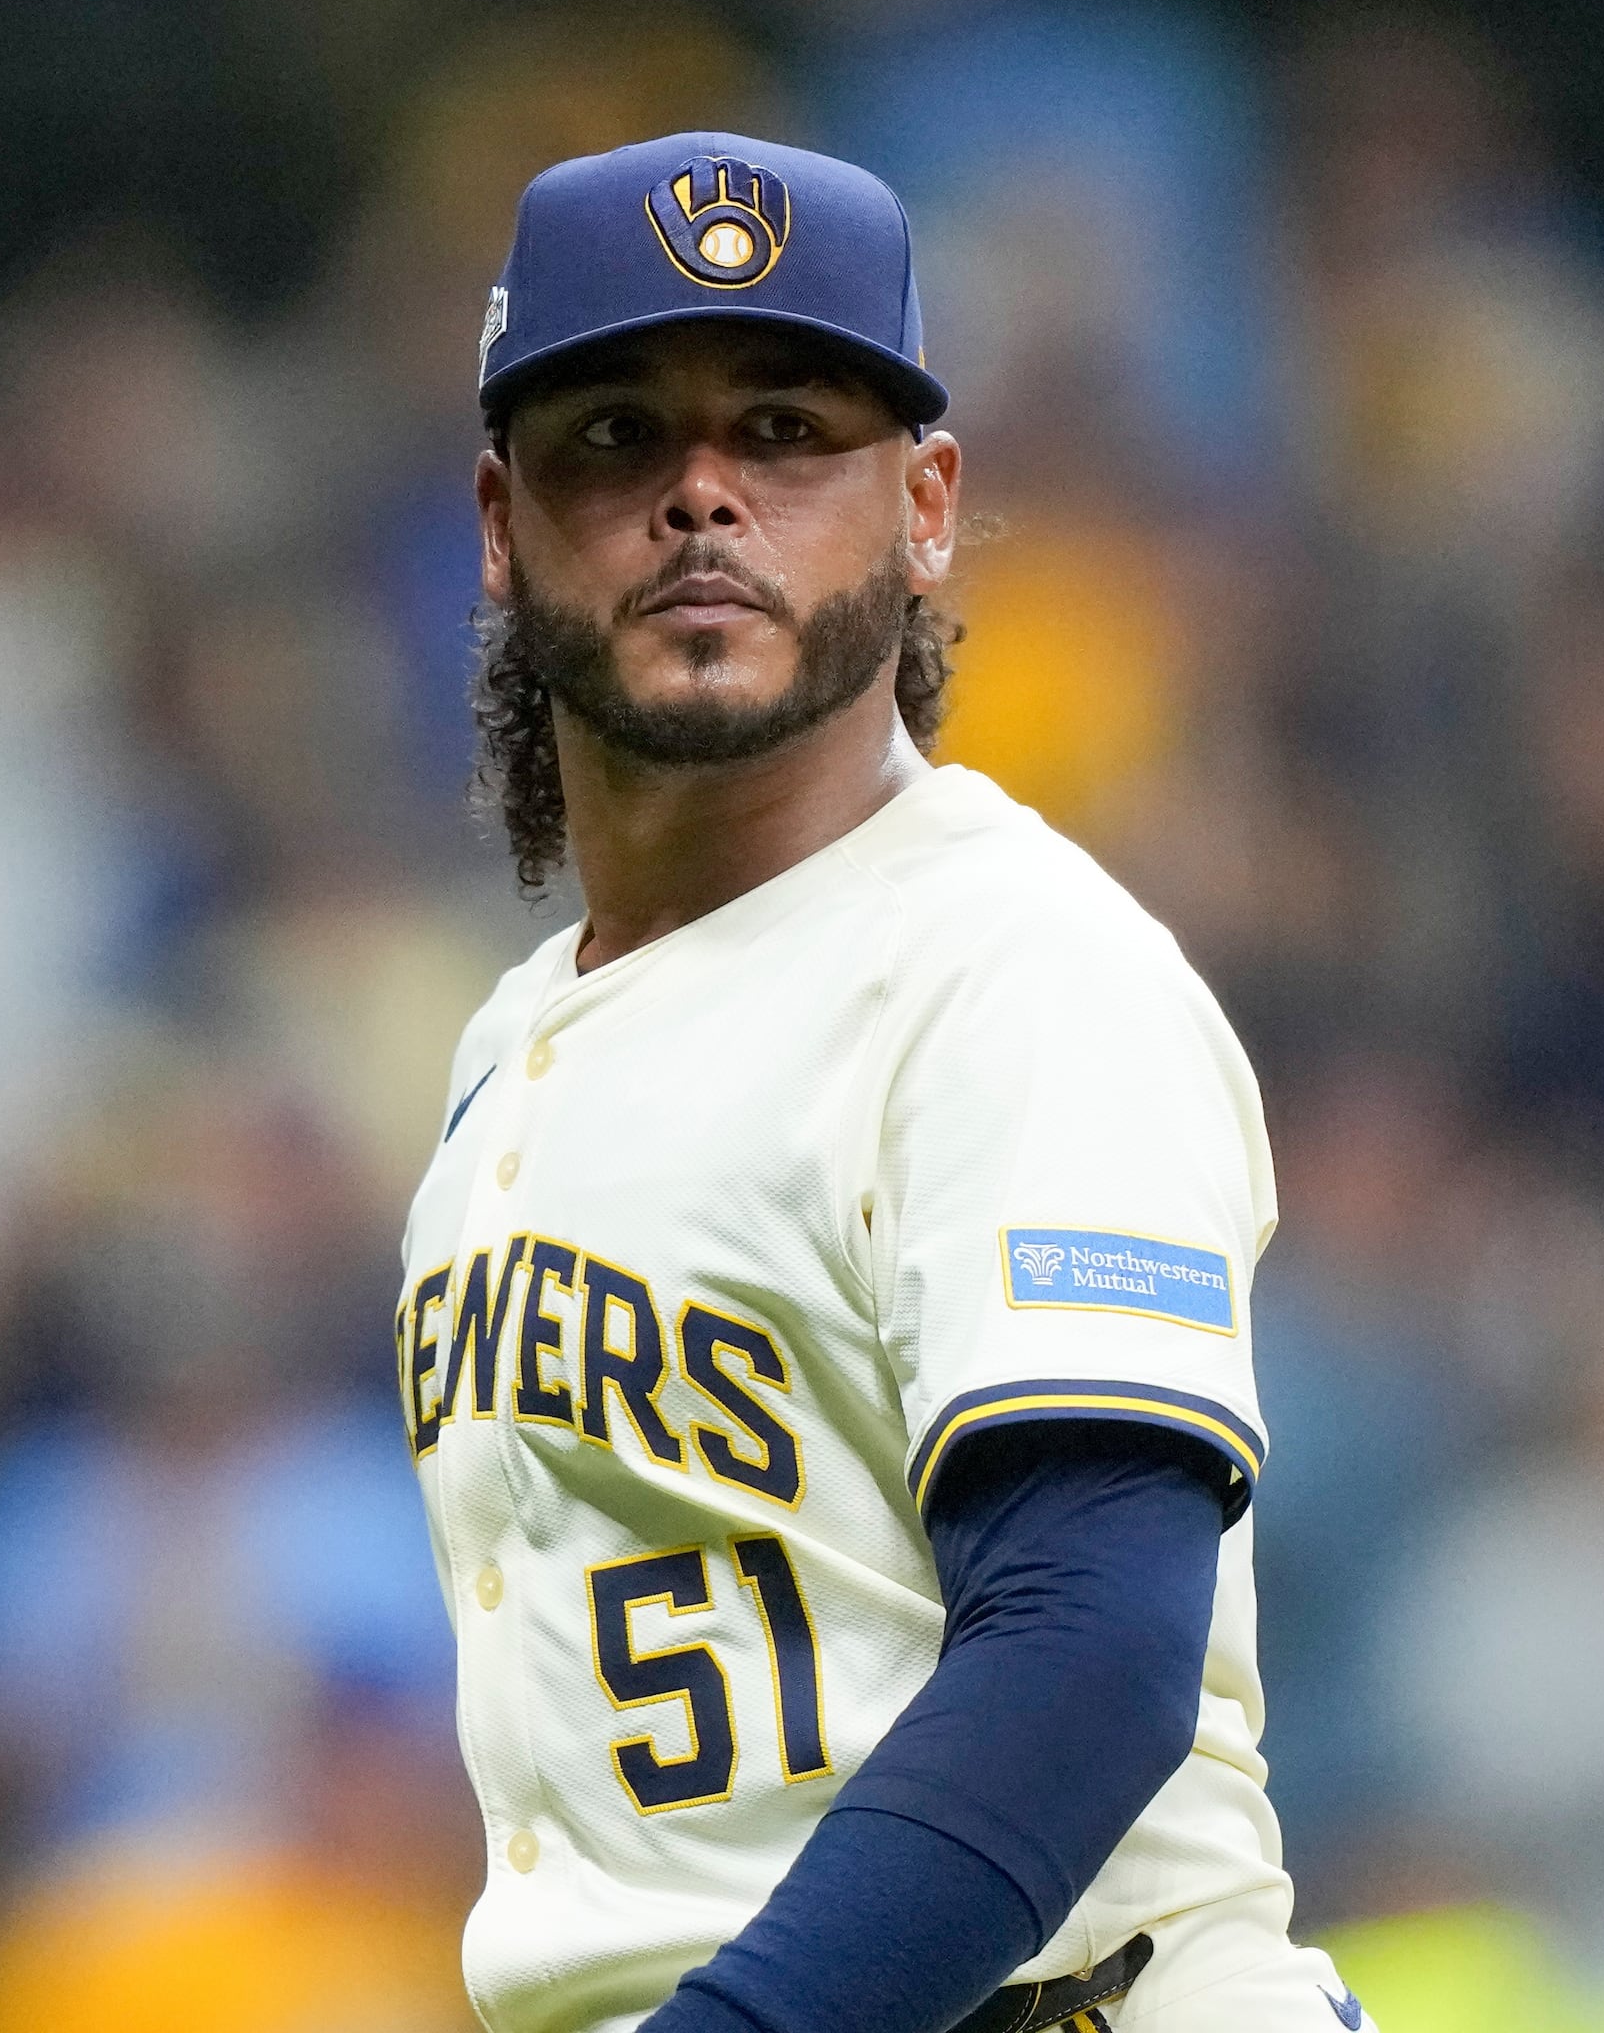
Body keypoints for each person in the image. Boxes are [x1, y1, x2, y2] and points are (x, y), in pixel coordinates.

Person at [391, 132, 1362, 2033]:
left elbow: (1086, 1652)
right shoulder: (509, 1046)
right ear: (500, 523)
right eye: (616, 437)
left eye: (784, 431)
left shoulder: (1011, 969)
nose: (701, 495)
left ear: (925, 507)